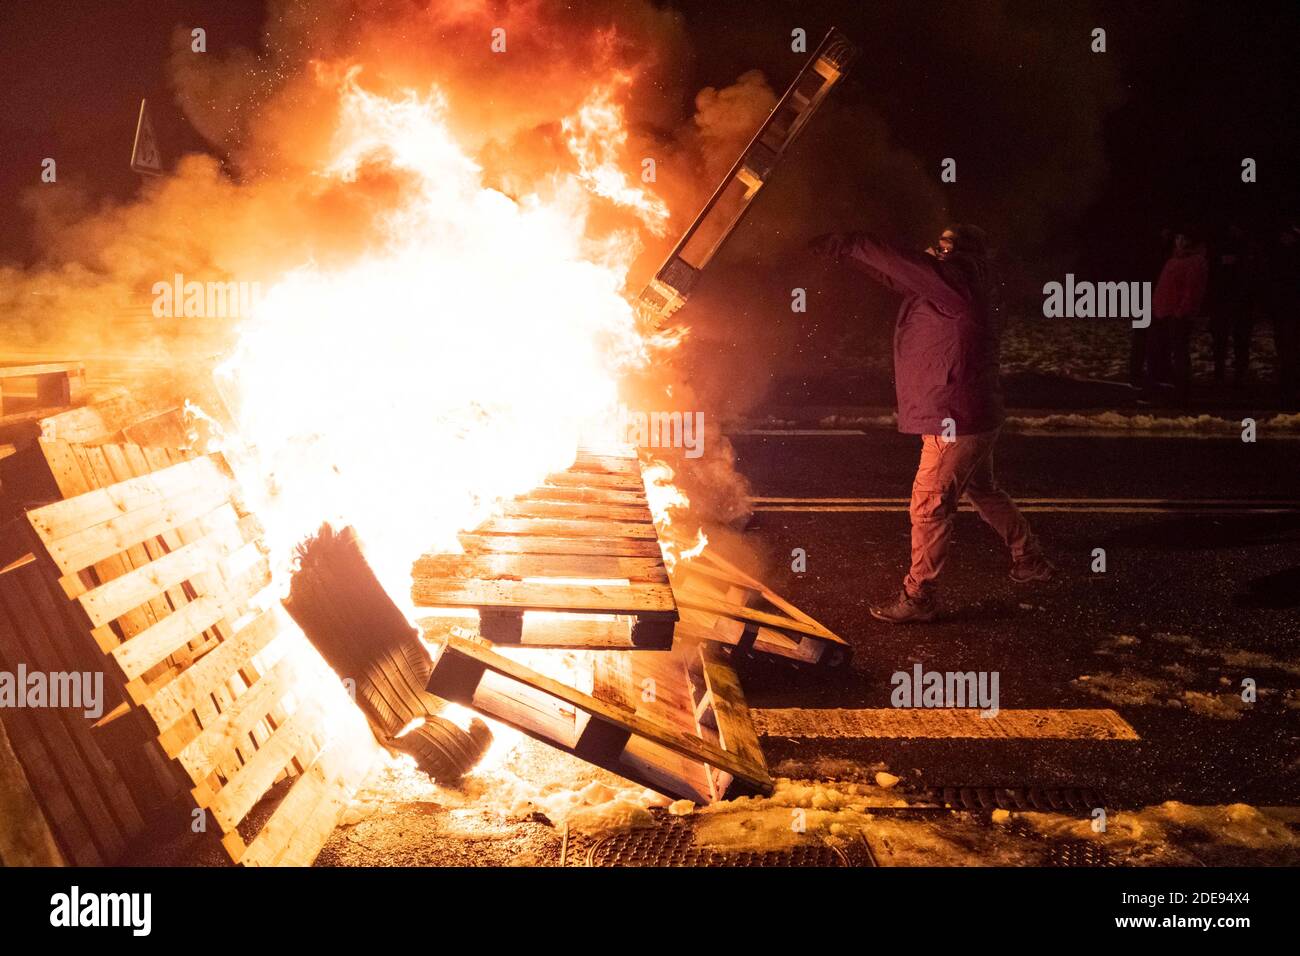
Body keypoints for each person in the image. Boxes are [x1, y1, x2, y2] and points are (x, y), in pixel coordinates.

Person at [809, 224, 1053, 625]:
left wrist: (853, 241)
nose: (937, 251)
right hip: (972, 413)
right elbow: (900, 273)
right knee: (984, 490)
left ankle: (920, 595)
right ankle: (1029, 559)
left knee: (929, 506)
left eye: (947, 246)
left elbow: (908, 266)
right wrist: (850, 255)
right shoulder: (959, 286)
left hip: (954, 419)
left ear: (965, 255)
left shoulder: (958, 285)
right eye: (938, 245)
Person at [1150, 228, 1208, 405]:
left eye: (1184, 238)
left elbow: (1192, 291)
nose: (1180, 242)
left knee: (1179, 353)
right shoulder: (1174, 259)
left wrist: (1181, 312)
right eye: (1178, 238)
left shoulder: (1195, 262)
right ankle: (1164, 387)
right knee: (1161, 351)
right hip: (1162, 312)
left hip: (1178, 315)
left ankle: (1181, 391)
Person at [1209, 223, 1259, 387]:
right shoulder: (1226, 246)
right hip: (1227, 299)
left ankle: (1235, 372)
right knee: (1225, 338)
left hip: (1238, 299)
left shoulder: (1247, 248)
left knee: (1237, 338)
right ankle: (1224, 372)